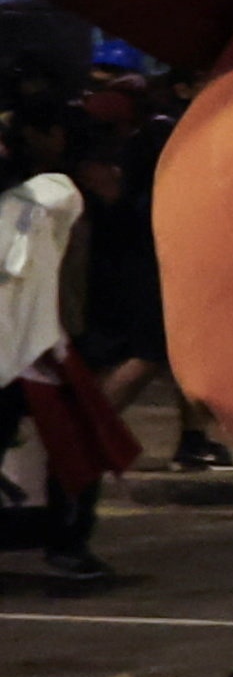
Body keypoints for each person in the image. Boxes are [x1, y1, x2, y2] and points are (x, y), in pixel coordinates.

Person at [0, 142, 127, 589]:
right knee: (75, 451)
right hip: (28, 352)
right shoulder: (35, 202)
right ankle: (67, 544)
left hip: (35, 350)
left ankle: (68, 543)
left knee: (78, 451)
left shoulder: (38, 200)